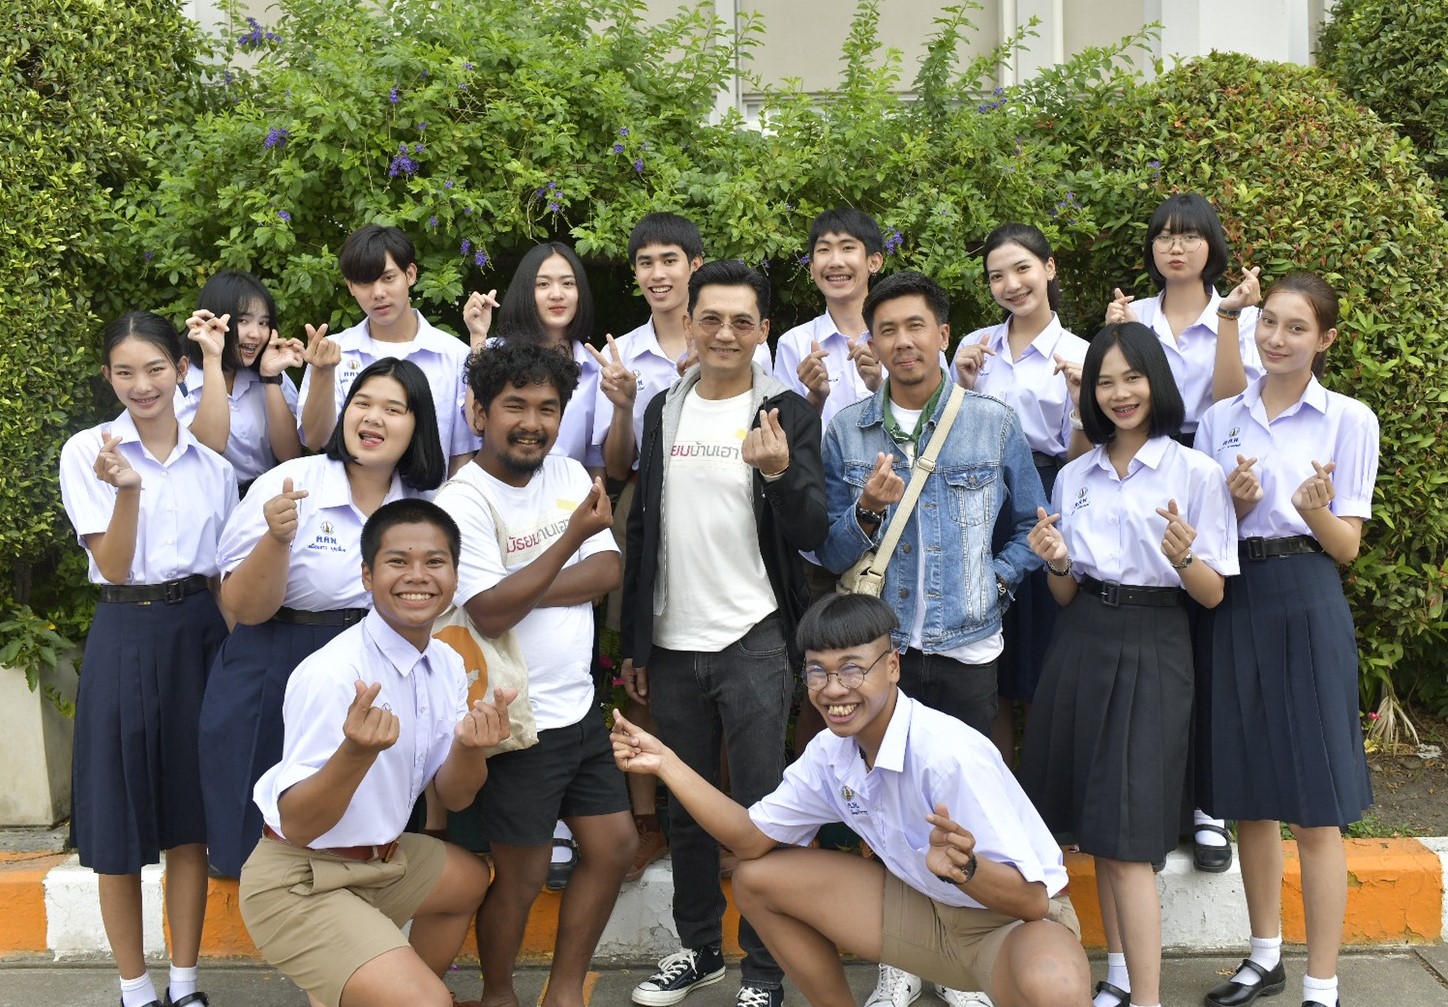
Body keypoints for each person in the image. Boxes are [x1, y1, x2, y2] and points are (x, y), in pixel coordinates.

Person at [611, 593, 1093, 1007]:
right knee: (757, 880)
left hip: (1007, 926)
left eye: (852, 669)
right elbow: (750, 840)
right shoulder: (830, 752)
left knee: (1056, 985)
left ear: (892, 666)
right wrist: (666, 764)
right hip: (924, 914)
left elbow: (1032, 900)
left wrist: (967, 869)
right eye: (817, 672)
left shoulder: (948, 756)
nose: (833, 689)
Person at [620, 259, 828, 1007]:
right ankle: (699, 948)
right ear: (690, 323)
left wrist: (777, 473)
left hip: (754, 639)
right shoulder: (664, 408)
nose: (725, 333)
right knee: (685, 808)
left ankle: (765, 972)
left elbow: (812, 529)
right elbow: (643, 529)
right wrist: (635, 642)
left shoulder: (785, 412)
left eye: (743, 321)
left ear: (763, 330)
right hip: (674, 641)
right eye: (711, 318)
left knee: (762, 809)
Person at [1018, 322, 1239, 1007]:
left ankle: (1146, 997)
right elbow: (1065, 591)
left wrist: (1183, 556)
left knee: (1128, 833)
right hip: (1082, 641)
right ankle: (1117, 975)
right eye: (1105, 382)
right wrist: (1057, 561)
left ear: (1156, 382)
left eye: (1132, 378)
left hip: (1156, 641)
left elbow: (1212, 592)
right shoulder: (1075, 474)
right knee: (1097, 828)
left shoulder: (1195, 472)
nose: (1119, 393)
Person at [239, 498, 512, 1007]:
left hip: (381, 860)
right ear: (367, 576)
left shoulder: (446, 662)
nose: (418, 576)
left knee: (468, 880)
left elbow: (456, 797)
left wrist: (471, 747)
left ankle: (388, 990)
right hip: (299, 878)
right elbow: (299, 825)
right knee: (428, 1002)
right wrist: (356, 754)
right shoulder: (334, 673)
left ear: (455, 577)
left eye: (434, 561)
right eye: (397, 561)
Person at [433, 340, 635, 1007]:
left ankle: (565, 990)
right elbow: (489, 613)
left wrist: (520, 583)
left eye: (547, 408)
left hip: (576, 710)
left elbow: (609, 571)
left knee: (614, 846)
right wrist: (567, 543)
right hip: (514, 721)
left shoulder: (570, 475)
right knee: (521, 877)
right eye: (514, 405)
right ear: (480, 412)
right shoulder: (462, 500)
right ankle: (499, 994)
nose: (532, 422)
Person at [1195, 273, 1377, 1007]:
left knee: (1316, 801)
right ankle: (1263, 955)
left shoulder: (1348, 419)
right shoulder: (1221, 419)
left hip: (1306, 595)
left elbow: (1347, 545)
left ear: (1324, 339)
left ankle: (1321, 983)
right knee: (1251, 795)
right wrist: (1236, 508)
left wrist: (1312, 510)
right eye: (1268, 321)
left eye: (1296, 327)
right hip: (1237, 597)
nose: (1276, 338)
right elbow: (1212, 537)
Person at [200, 357, 446, 878]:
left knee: (360, 825)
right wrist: (277, 539)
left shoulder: (422, 506)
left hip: (373, 670)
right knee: (255, 835)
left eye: (393, 409)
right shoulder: (291, 483)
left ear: (418, 426)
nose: (373, 418)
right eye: (362, 403)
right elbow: (242, 607)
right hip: (274, 658)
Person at [59, 311, 239, 1007]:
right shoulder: (87, 451)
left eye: (156, 368)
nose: (142, 384)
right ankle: (135, 991)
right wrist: (128, 488)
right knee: (119, 817)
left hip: (199, 633)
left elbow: (222, 580)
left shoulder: (215, 469)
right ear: (108, 377)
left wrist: (237, 666)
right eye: (125, 371)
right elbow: (112, 562)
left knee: (190, 823)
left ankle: (185, 986)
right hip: (123, 627)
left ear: (182, 370)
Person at [1104, 192, 1264, 874]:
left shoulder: (1244, 316)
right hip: (1137, 469)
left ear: (1211, 247)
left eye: (1189, 236)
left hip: (1210, 470)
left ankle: (1208, 807)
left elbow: (1230, 404)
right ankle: (1156, 805)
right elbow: (1111, 396)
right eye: (1164, 236)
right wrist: (1112, 334)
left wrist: (1227, 320)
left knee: (1207, 647)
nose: (1175, 247)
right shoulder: (1132, 315)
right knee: (1154, 650)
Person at [818, 270, 1045, 740]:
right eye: (888, 330)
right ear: (873, 345)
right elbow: (830, 554)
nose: (903, 341)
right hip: (878, 649)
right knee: (881, 773)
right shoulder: (846, 430)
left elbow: (1034, 525)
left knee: (962, 778)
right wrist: (867, 508)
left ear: (943, 335)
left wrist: (997, 581)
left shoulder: (994, 422)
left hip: (968, 646)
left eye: (915, 326)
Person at [587, 212, 707, 882]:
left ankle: (712, 816)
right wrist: (623, 404)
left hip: (715, 508)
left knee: (715, 655)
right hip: (640, 505)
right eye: (645, 262)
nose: (657, 274)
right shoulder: (620, 352)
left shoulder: (731, 336)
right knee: (637, 657)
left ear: (694, 265)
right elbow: (614, 466)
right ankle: (646, 821)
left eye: (669, 260)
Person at [952, 223, 1090, 767]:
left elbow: (1082, 459)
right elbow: (948, 436)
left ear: (1049, 268)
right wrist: (960, 387)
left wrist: (1079, 404)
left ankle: (1044, 793)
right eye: (996, 276)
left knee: (1044, 649)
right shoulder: (975, 346)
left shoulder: (1081, 352)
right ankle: (997, 789)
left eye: (1022, 269)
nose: (1011, 284)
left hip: (1047, 497)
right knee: (991, 657)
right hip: (978, 499)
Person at [297, 223, 477, 474]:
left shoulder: (455, 355)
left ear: (410, 274)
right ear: (350, 286)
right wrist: (322, 372)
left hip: (430, 498)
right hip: (348, 497)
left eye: (388, 278)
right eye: (364, 283)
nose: (378, 293)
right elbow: (316, 440)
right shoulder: (332, 353)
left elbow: (461, 452)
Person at [466, 241, 604, 474]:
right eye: (543, 284)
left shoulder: (595, 368)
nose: (557, 294)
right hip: (505, 485)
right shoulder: (493, 350)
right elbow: (475, 424)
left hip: (567, 491)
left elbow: (595, 457)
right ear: (526, 292)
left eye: (568, 283)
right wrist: (478, 336)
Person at [178, 269, 304, 492]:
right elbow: (211, 447)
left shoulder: (272, 372)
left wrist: (270, 378)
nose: (256, 334)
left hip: (270, 497)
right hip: (212, 502)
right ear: (215, 321)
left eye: (263, 323)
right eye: (243, 320)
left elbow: (291, 455)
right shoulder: (180, 381)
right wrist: (213, 358)